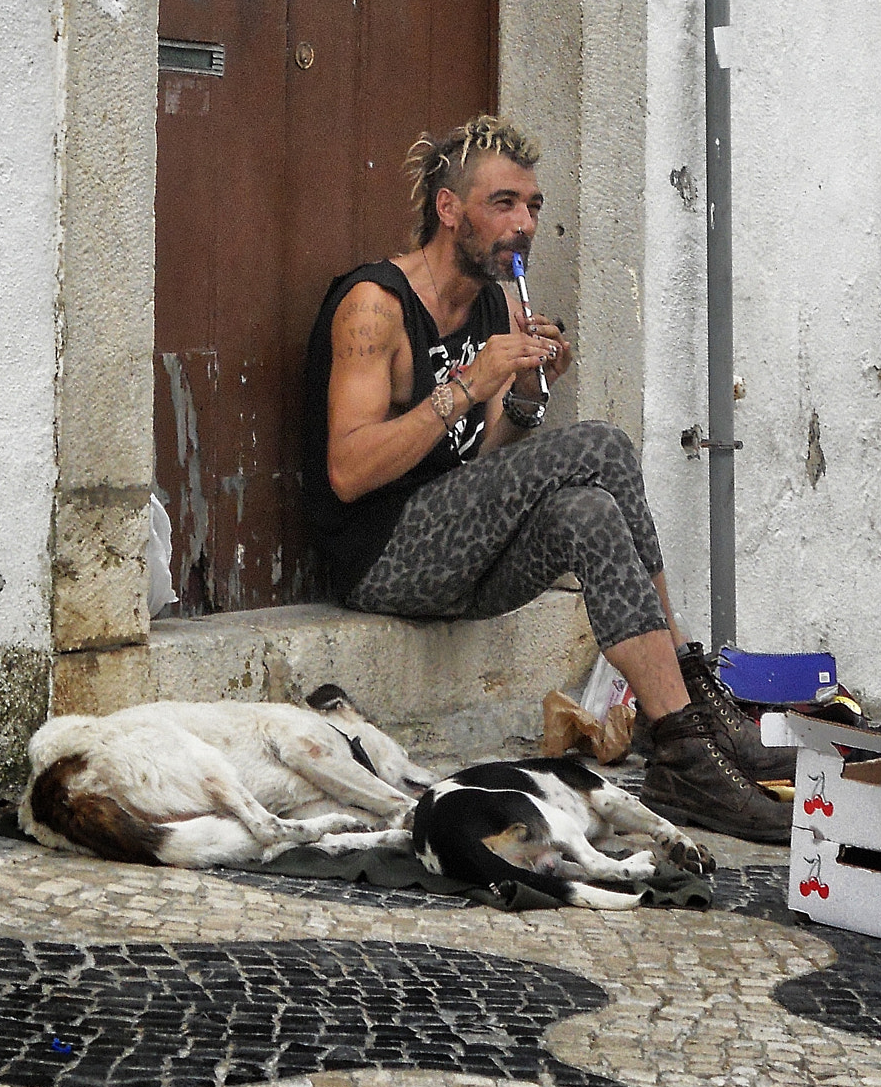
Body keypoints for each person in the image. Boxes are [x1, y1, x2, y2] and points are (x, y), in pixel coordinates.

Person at [303, 113, 792, 844]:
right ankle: (692, 692)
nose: (524, 223)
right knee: (600, 444)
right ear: (448, 209)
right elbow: (348, 472)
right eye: (504, 203)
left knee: (588, 511)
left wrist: (525, 399)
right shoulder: (375, 305)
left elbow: (482, 468)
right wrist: (469, 383)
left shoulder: (495, 303)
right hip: (380, 558)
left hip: (456, 557)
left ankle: (683, 748)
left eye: (533, 207)